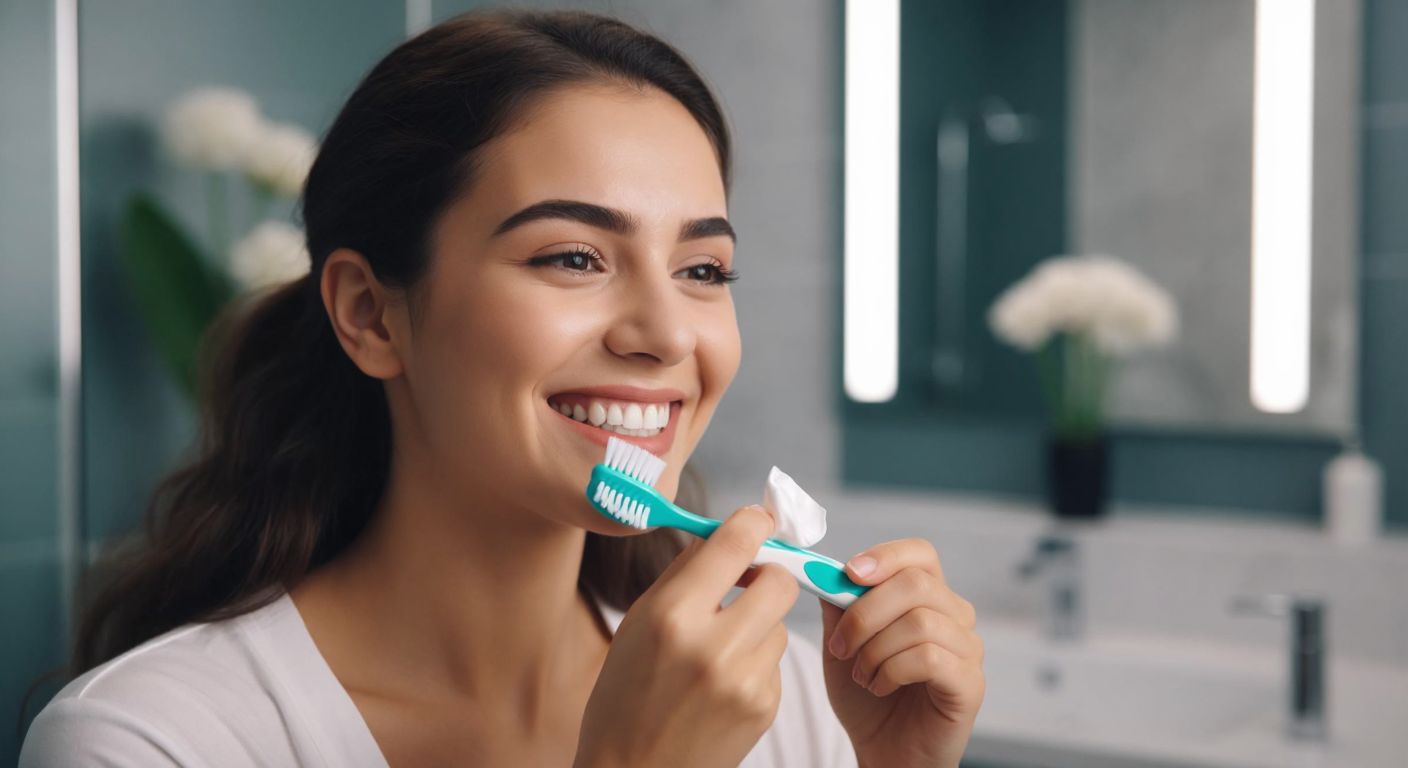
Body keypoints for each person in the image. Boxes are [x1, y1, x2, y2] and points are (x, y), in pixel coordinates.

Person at [20, 9, 984, 767]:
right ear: (371, 313)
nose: (663, 336)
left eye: (702, 270)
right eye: (573, 257)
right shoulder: (153, 740)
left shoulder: (781, 703)